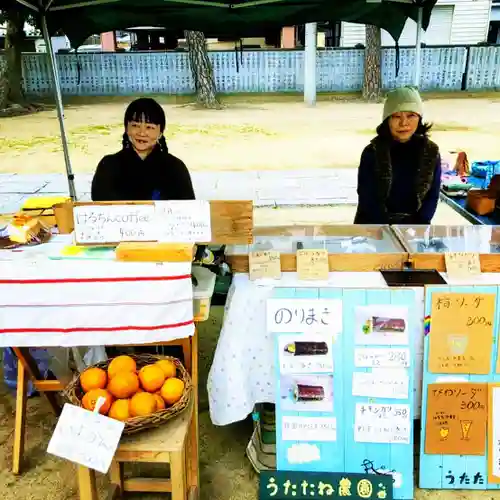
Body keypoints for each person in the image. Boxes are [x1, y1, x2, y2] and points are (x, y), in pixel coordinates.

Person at [354, 87, 441, 225]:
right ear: (387, 120)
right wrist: (386, 230)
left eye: (411, 115)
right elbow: (367, 199)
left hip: (415, 229)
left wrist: (417, 228)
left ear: (419, 118)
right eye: (396, 116)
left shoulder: (431, 152)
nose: (404, 123)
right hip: (374, 227)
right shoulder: (372, 152)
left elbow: (432, 196)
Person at [91, 97, 195, 201]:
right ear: (127, 129)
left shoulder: (176, 168)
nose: (141, 133)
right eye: (135, 125)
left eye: (149, 127)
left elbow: (188, 208)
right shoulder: (108, 166)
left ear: (160, 132)